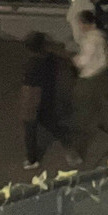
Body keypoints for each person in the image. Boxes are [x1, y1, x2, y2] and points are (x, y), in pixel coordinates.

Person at [21, 32, 80, 170]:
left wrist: (26, 109)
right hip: (48, 97)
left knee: (30, 130)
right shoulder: (50, 59)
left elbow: (29, 89)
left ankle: (32, 159)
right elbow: (67, 62)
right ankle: (70, 149)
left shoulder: (32, 66)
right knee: (52, 124)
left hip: (35, 101)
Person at [70, 10, 108, 158]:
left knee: (82, 109)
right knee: (105, 100)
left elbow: (84, 60)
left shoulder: (90, 40)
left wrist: (73, 60)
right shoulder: (101, 36)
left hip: (90, 76)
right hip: (104, 72)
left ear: (84, 23)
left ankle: (78, 147)